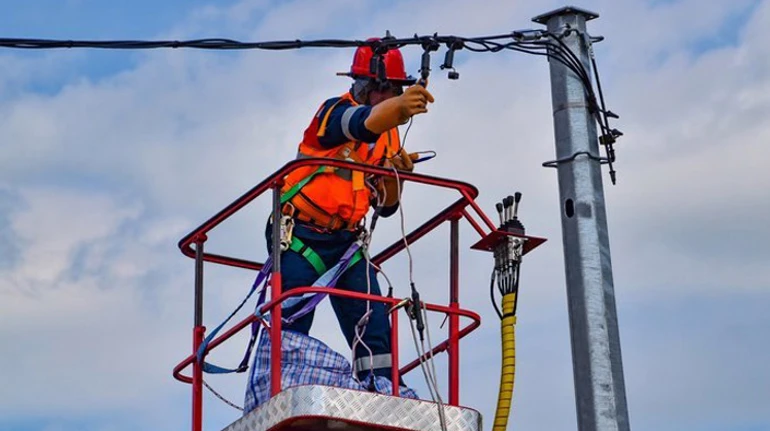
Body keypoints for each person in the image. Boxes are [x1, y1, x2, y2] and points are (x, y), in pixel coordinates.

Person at [268, 38, 434, 385]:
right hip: (301, 235)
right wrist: (399, 107)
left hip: (347, 243)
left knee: (372, 320)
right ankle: (281, 386)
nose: (389, 96)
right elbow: (360, 124)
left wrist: (396, 177)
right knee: (291, 318)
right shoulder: (331, 114)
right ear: (366, 87)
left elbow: (386, 208)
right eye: (384, 89)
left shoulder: (389, 138)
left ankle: (381, 387)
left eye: (395, 90)